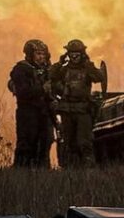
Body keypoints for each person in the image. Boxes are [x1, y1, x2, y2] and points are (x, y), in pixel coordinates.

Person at [49, 39, 106, 167]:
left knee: (84, 142)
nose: (74, 57)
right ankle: (71, 170)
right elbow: (50, 77)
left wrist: (88, 64)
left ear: (82, 54)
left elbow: (99, 77)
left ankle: (88, 170)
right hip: (67, 110)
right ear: (68, 55)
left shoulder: (87, 69)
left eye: (77, 54)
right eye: (71, 54)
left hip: (83, 110)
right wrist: (59, 63)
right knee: (69, 143)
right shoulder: (63, 70)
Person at [8, 39, 53, 168]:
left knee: (46, 142)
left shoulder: (48, 70)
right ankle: (22, 172)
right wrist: (42, 89)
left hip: (45, 111)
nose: (41, 57)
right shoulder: (21, 70)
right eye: (38, 54)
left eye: (43, 54)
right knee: (27, 144)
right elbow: (22, 92)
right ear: (30, 54)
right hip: (27, 112)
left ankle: (43, 172)